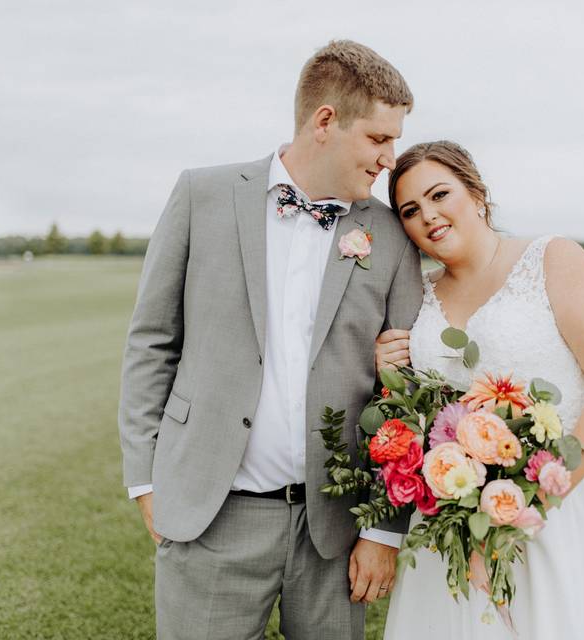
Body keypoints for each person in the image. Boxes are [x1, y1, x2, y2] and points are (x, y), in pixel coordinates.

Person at [117, 40, 422, 640]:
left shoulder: (390, 233)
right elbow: (152, 341)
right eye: (380, 138)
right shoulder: (202, 195)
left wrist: (384, 528)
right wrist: (146, 479)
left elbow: (412, 389)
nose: (391, 158)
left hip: (336, 528)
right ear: (325, 122)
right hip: (211, 516)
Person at [376, 141, 584, 638]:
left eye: (440, 195)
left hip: (557, 507)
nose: (428, 216)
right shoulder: (417, 294)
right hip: (451, 518)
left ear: (477, 193)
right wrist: (389, 369)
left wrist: (523, 510)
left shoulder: (553, 260)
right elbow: (416, 410)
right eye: (410, 210)